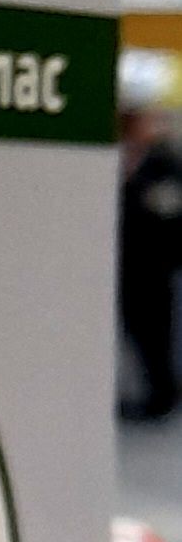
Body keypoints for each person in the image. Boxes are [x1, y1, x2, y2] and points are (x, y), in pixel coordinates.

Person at [119, 106, 182, 421]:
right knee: (134, 331)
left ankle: (162, 394)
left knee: (157, 334)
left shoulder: (164, 163)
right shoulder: (121, 160)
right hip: (127, 264)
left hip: (155, 266)